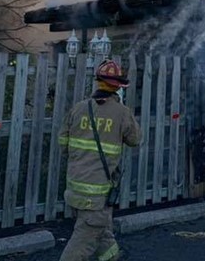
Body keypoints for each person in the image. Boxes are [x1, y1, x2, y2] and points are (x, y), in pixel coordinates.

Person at [58, 59, 141, 261]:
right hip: (97, 196)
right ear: (118, 87)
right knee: (81, 244)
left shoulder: (78, 108)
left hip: (74, 190)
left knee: (102, 234)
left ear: (98, 82)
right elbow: (135, 140)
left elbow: (63, 143)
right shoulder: (122, 113)